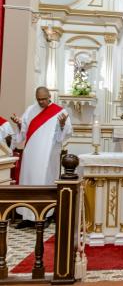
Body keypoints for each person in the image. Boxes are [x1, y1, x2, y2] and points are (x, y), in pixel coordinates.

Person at [11, 86, 73, 229]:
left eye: (44, 99)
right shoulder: (31, 110)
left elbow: (64, 136)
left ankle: (45, 216)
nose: (41, 102)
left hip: (47, 155)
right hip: (30, 154)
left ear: (49, 96)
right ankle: (27, 216)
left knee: (44, 182)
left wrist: (62, 125)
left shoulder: (60, 112)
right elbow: (23, 133)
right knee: (28, 182)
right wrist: (19, 124)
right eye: (39, 99)